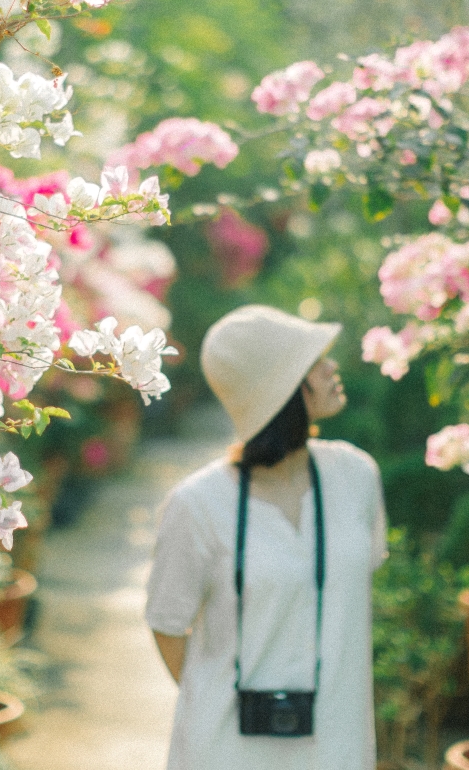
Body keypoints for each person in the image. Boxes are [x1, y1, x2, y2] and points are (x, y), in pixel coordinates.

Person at [145, 305, 388, 770]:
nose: (332, 367)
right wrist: (219, 696)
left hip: (336, 746)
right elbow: (167, 625)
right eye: (316, 360)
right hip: (225, 751)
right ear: (283, 388)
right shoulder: (197, 504)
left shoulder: (356, 476)